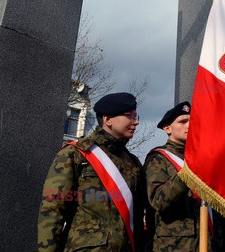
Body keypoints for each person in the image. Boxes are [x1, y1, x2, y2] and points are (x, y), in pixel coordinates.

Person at [38, 92, 145, 251]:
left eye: (136, 116)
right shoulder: (75, 154)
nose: (135, 122)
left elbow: (137, 217)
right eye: (129, 116)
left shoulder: (133, 162)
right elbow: (52, 211)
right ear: (107, 120)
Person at [144, 101, 202, 251]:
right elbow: (158, 201)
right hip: (175, 246)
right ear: (167, 128)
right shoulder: (158, 158)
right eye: (183, 121)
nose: (189, 125)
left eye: (192, 121)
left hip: (207, 242)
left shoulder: (202, 158)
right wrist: (186, 174)